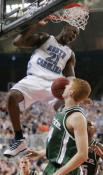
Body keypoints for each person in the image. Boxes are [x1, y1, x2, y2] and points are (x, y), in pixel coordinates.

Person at [4, 18, 80, 157]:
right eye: (73, 31)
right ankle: (19, 139)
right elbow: (17, 42)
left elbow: (71, 79)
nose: (74, 35)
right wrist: (35, 24)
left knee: (66, 109)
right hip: (34, 79)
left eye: (76, 35)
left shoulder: (70, 54)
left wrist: (78, 95)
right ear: (65, 27)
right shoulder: (45, 38)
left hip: (54, 85)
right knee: (11, 97)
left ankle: (66, 142)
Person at [26, 77, 91, 175]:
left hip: (66, 171)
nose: (65, 86)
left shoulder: (77, 117)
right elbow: (61, 144)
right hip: (53, 167)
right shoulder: (63, 108)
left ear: (71, 92)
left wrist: (58, 173)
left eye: (68, 85)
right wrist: (41, 153)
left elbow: (83, 155)